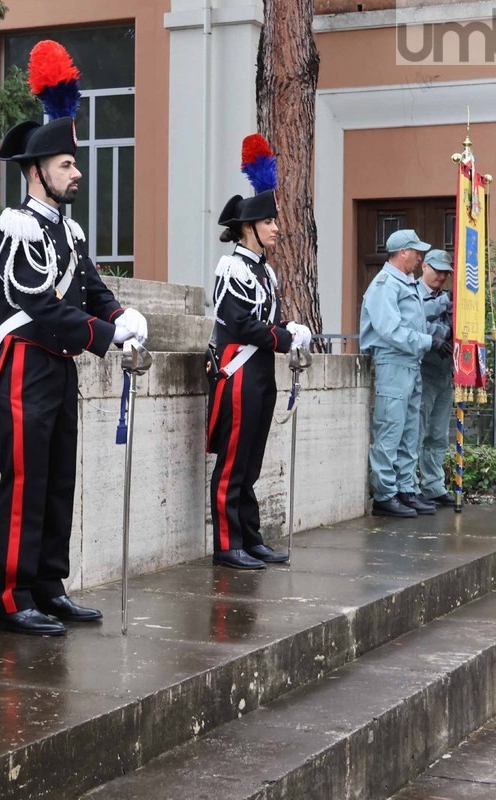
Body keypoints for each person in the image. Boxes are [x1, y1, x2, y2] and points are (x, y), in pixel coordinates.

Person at [0, 113, 148, 636]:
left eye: (75, 163)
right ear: (37, 171)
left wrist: (122, 315)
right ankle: (11, 597)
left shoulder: (68, 232)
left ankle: (50, 586)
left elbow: (92, 289)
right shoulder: (18, 227)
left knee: (58, 480)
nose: (77, 173)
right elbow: (39, 305)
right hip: (25, 364)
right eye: (67, 164)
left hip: (59, 368)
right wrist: (104, 335)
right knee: (26, 481)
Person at [205, 134, 312, 570]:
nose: (276, 227)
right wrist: (284, 338)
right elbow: (242, 324)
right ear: (248, 226)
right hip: (239, 372)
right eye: (269, 221)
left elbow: (267, 320)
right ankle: (228, 544)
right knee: (232, 463)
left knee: (251, 460)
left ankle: (250, 537)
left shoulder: (264, 271)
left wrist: (292, 329)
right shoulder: (231, 266)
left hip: (261, 373)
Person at [359, 229, 446, 518]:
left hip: (410, 362)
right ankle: (385, 494)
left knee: (410, 431)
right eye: (416, 252)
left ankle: (405, 488)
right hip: (393, 362)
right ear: (403, 252)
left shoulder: (404, 283)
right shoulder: (385, 284)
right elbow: (389, 329)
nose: (420, 257)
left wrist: (431, 336)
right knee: (391, 428)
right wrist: (426, 340)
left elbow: (414, 323)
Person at [417, 249, 456, 508]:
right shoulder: (413, 293)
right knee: (416, 434)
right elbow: (413, 322)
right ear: (424, 267)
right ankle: (409, 486)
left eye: (446, 272)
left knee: (439, 435)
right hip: (423, 371)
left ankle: (433, 485)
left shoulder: (448, 298)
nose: (441, 276)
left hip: (445, 373)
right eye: (438, 270)